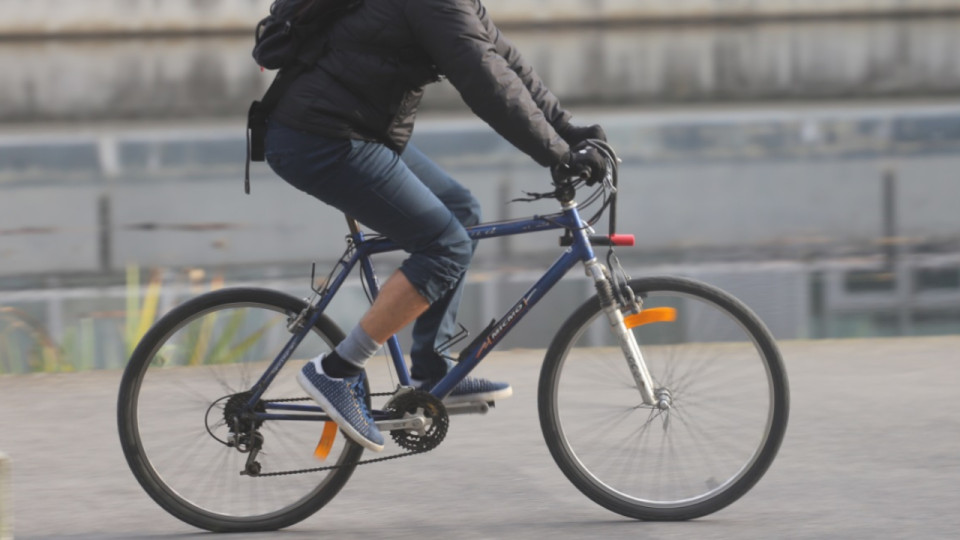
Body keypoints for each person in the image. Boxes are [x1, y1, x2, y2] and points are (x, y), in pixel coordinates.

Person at [264, 0, 607, 452]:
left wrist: (570, 133)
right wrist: (557, 155)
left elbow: (504, 61)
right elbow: (485, 83)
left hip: (354, 129)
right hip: (321, 137)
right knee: (445, 246)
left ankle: (433, 370)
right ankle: (337, 371)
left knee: (460, 211)